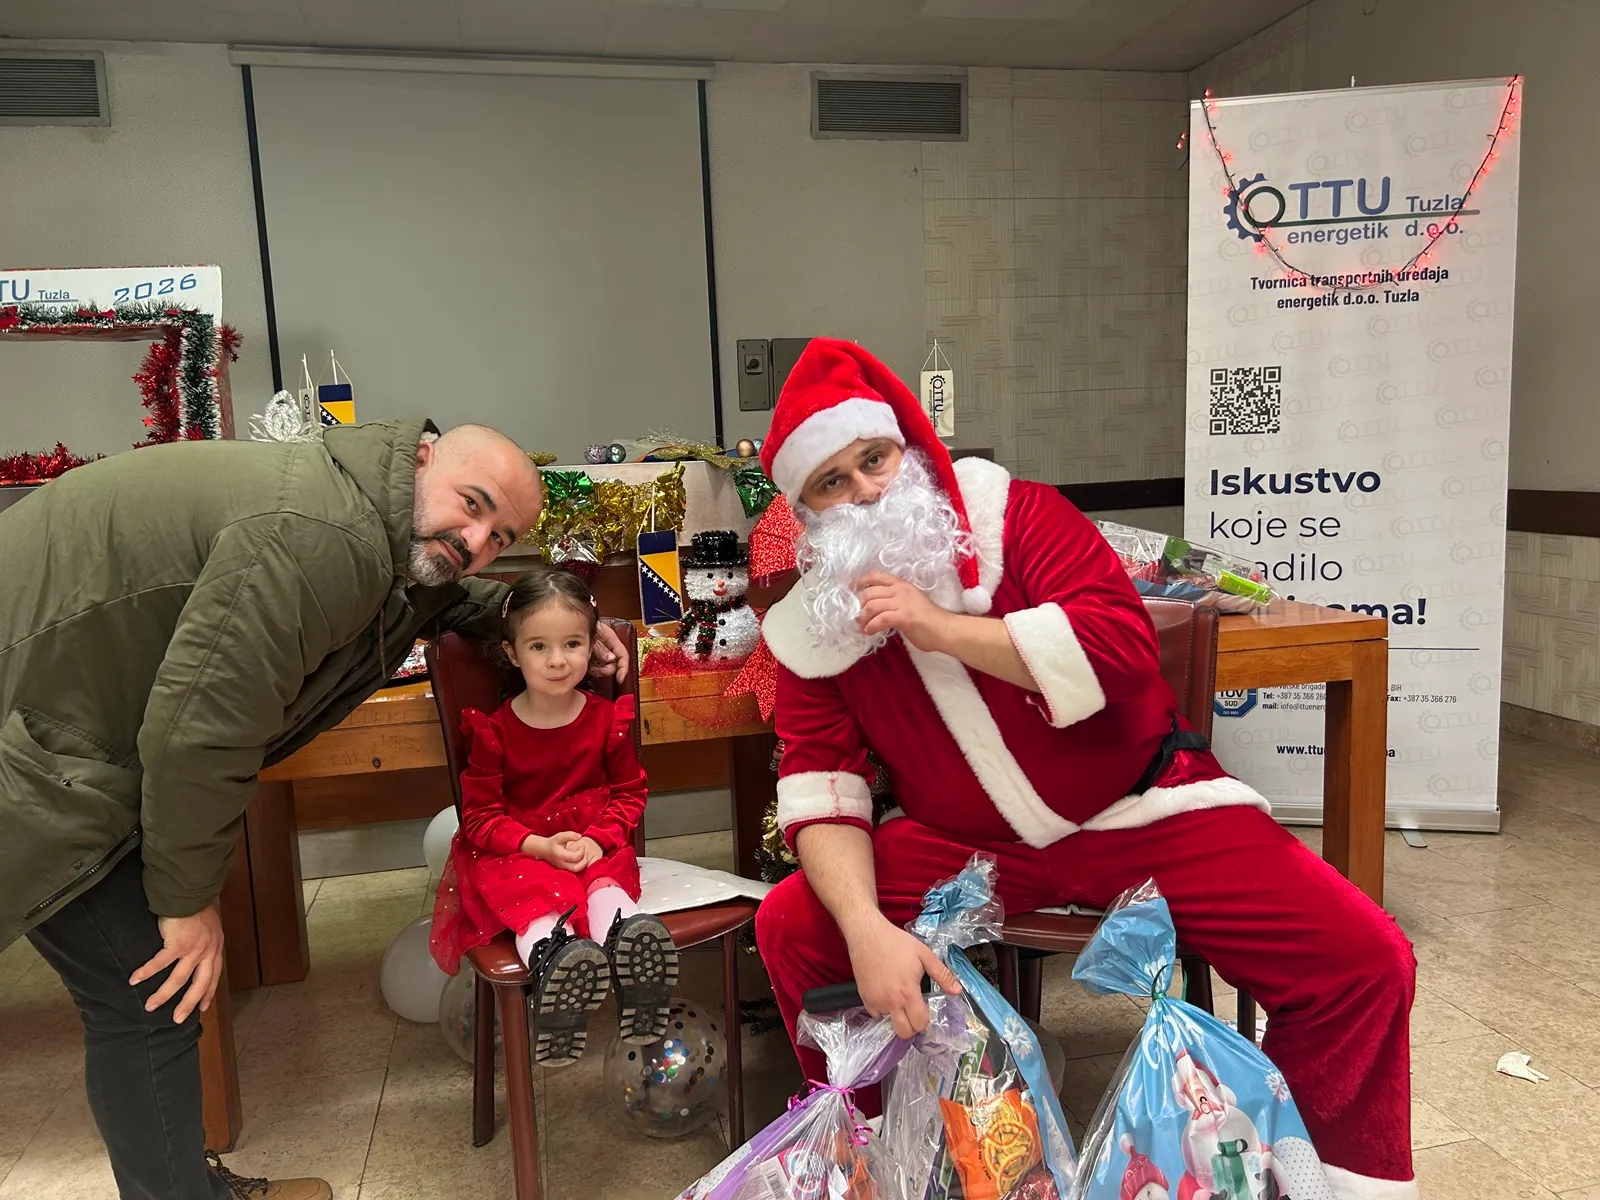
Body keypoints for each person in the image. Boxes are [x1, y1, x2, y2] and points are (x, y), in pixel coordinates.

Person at [750, 339, 1419, 1200]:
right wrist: (862, 926)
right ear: (805, 512)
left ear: (908, 451)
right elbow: (823, 788)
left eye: (873, 460)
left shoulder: (1018, 517)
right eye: (831, 482)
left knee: (1362, 959)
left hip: (1143, 810)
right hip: (967, 849)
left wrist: (942, 629)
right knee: (798, 924)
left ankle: (1320, 1171)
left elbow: (1119, 647)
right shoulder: (813, 629)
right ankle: (886, 1158)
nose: (866, 491)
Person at [0, 420, 629, 1200]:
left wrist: (543, 623)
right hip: (36, 752)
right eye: (471, 505)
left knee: (148, 998)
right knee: (150, 996)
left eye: (499, 537)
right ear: (423, 457)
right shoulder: (321, 536)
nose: (474, 541)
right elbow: (200, 733)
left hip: (60, 731)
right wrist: (186, 902)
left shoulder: (360, 512)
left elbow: (432, 592)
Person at [430, 566, 678, 1064]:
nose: (558, 660)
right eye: (539, 646)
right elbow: (479, 817)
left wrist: (599, 839)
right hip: (520, 851)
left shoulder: (607, 720)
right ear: (512, 653)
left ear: (591, 646)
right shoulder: (495, 733)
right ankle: (555, 964)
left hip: (591, 842)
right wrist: (537, 846)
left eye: (572, 644)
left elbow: (629, 793)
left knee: (605, 883)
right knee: (533, 894)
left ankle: (633, 952)